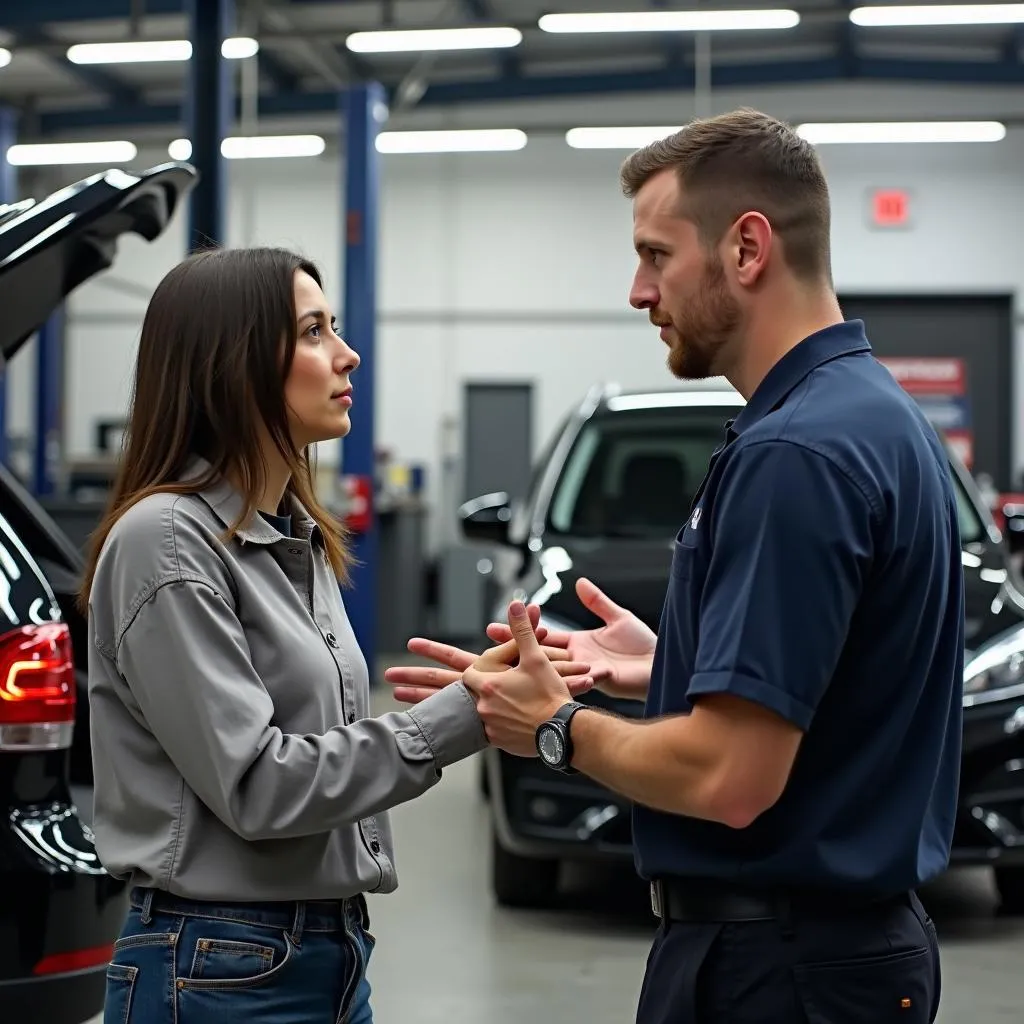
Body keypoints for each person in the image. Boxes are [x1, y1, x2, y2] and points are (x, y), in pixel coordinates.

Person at [385, 108, 962, 1024]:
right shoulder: (869, 414)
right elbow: (852, 667)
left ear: (746, 248)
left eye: (657, 255)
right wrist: (680, 662)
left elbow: (731, 781)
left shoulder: (797, 453)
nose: (637, 291)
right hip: (831, 956)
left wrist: (554, 726)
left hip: (780, 972)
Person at [79, 246, 592, 1024]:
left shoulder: (290, 538)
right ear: (234, 365)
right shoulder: (170, 541)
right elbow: (258, 786)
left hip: (326, 950)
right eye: (314, 331)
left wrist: (469, 692)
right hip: (217, 968)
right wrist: (465, 715)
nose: (347, 353)